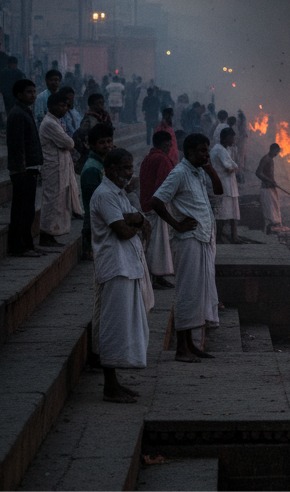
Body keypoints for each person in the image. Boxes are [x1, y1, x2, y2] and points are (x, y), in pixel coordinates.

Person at [151, 133, 222, 363]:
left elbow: (219, 190)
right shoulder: (179, 173)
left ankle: (191, 344)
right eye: (201, 151)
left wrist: (209, 168)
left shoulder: (198, 172)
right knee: (187, 293)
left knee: (199, 293)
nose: (206, 154)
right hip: (188, 240)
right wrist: (177, 224)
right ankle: (181, 349)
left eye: (207, 150)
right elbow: (156, 201)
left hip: (202, 239)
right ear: (188, 152)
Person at [90, 147, 152, 403]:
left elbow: (141, 220)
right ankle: (109, 387)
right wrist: (136, 222)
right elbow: (124, 231)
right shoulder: (104, 195)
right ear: (113, 169)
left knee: (125, 326)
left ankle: (116, 382)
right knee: (114, 326)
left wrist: (135, 219)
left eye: (130, 167)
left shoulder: (119, 194)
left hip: (127, 266)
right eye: (126, 168)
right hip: (115, 267)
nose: (130, 172)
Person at [6, 79, 45, 257]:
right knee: (21, 210)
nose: (33, 95)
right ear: (19, 95)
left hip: (29, 168)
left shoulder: (25, 111)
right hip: (23, 170)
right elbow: (16, 146)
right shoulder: (17, 114)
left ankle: (27, 244)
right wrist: (20, 170)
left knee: (28, 210)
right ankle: (18, 246)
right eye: (29, 92)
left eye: (34, 91)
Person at [38, 94, 80, 247]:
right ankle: (45, 234)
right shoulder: (50, 123)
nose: (65, 109)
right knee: (51, 201)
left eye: (66, 106)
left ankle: (52, 233)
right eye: (61, 105)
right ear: (51, 106)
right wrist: (69, 142)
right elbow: (68, 142)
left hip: (59, 165)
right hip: (53, 167)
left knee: (57, 201)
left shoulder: (56, 122)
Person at [139, 131, 177, 289]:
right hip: (157, 205)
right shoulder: (161, 159)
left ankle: (159, 276)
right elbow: (164, 184)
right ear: (163, 144)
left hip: (148, 203)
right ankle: (154, 277)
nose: (170, 147)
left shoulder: (148, 157)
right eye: (169, 144)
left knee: (157, 242)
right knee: (157, 243)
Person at [80, 122, 116, 259]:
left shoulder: (103, 164)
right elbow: (96, 203)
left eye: (109, 141)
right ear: (92, 145)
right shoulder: (92, 169)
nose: (107, 145)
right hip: (95, 228)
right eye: (102, 142)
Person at [211, 128, 240, 243]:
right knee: (222, 214)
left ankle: (231, 236)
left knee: (228, 213)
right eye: (232, 138)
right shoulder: (219, 150)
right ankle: (220, 237)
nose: (233, 140)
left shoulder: (221, 149)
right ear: (226, 138)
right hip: (224, 186)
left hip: (227, 186)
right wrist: (235, 168)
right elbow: (230, 167)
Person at [255, 142, 283, 233]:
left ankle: (274, 226)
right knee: (269, 209)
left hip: (271, 187)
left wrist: (272, 182)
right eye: (276, 152)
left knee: (275, 207)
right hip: (266, 188)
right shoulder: (265, 159)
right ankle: (270, 228)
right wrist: (268, 180)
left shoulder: (271, 159)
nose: (276, 154)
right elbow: (258, 173)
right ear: (272, 149)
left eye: (277, 152)